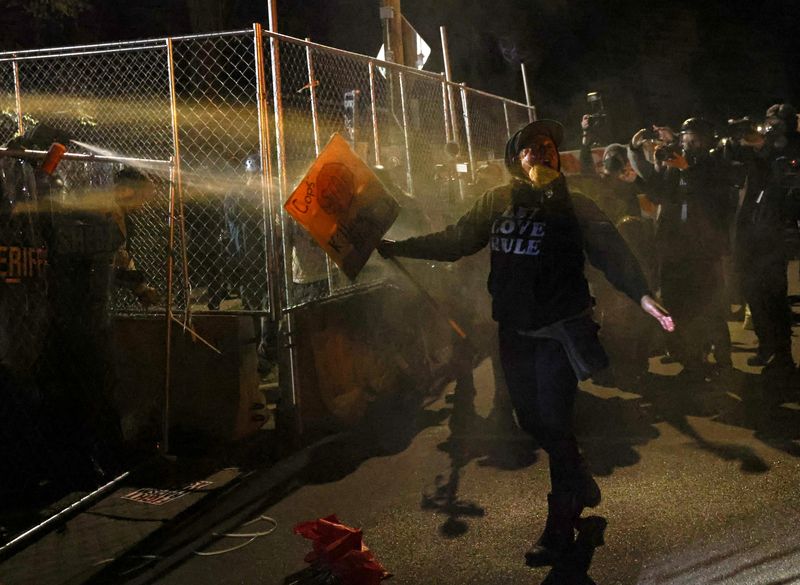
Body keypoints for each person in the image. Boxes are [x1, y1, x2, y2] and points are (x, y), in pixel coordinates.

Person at [377, 120, 674, 566]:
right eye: (532, 149)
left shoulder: (576, 204)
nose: (543, 154)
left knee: (553, 421)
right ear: (516, 161)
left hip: (559, 332)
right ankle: (577, 477)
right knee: (531, 421)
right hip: (514, 332)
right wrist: (399, 248)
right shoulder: (497, 201)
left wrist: (644, 295)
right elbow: (457, 241)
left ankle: (561, 521)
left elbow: (613, 254)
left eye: (549, 147)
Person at [629, 117, 741, 378]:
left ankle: (724, 361)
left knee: (709, 305)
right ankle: (692, 359)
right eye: (685, 137)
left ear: (704, 139)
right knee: (679, 305)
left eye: (693, 138)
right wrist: (647, 158)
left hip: (703, 250)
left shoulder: (713, 164)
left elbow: (716, 201)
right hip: (675, 250)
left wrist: (686, 168)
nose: (688, 143)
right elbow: (656, 194)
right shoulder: (675, 165)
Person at [732, 104, 799, 371]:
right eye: (769, 123)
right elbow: (733, 156)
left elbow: (783, 168)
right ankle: (765, 345)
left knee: (774, 295)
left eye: (778, 124)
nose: (771, 129)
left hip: (775, 234)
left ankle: (783, 355)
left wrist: (763, 147)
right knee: (752, 292)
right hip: (751, 232)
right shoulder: (759, 151)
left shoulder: (791, 150)